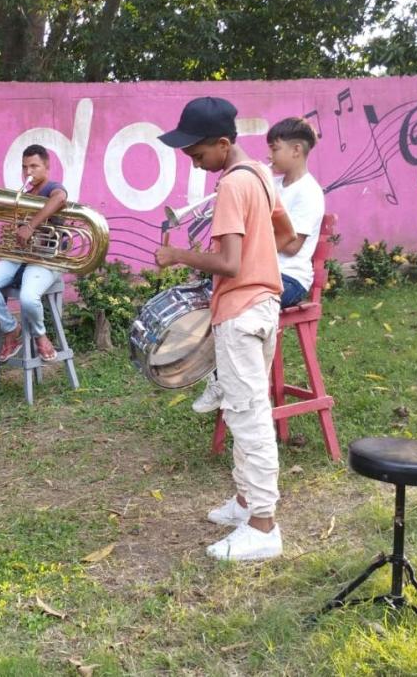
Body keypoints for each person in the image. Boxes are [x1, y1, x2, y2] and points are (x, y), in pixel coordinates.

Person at [155, 97, 294, 562]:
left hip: (239, 310)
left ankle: (262, 525)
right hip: (265, 305)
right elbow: (285, 235)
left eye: (198, 156)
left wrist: (178, 256)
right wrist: (258, 253)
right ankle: (243, 503)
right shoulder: (258, 174)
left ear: (222, 143)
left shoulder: (234, 185)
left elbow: (229, 264)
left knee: (249, 415)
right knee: (242, 409)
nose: (197, 165)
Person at [0, 144, 67, 363]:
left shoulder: (52, 188)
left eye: (34, 166)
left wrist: (31, 226)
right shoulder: (24, 194)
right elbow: (19, 230)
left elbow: (60, 198)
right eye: (25, 167)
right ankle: (11, 329)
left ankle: (40, 335)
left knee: (28, 298)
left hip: (46, 258)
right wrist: (12, 233)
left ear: (46, 166)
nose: (29, 172)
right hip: (21, 257)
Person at [266, 117, 325, 308]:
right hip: (264, 272)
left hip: (290, 278)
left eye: (274, 149)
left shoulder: (309, 191)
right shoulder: (272, 184)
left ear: (296, 150)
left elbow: (291, 246)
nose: (269, 156)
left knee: (241, 299)